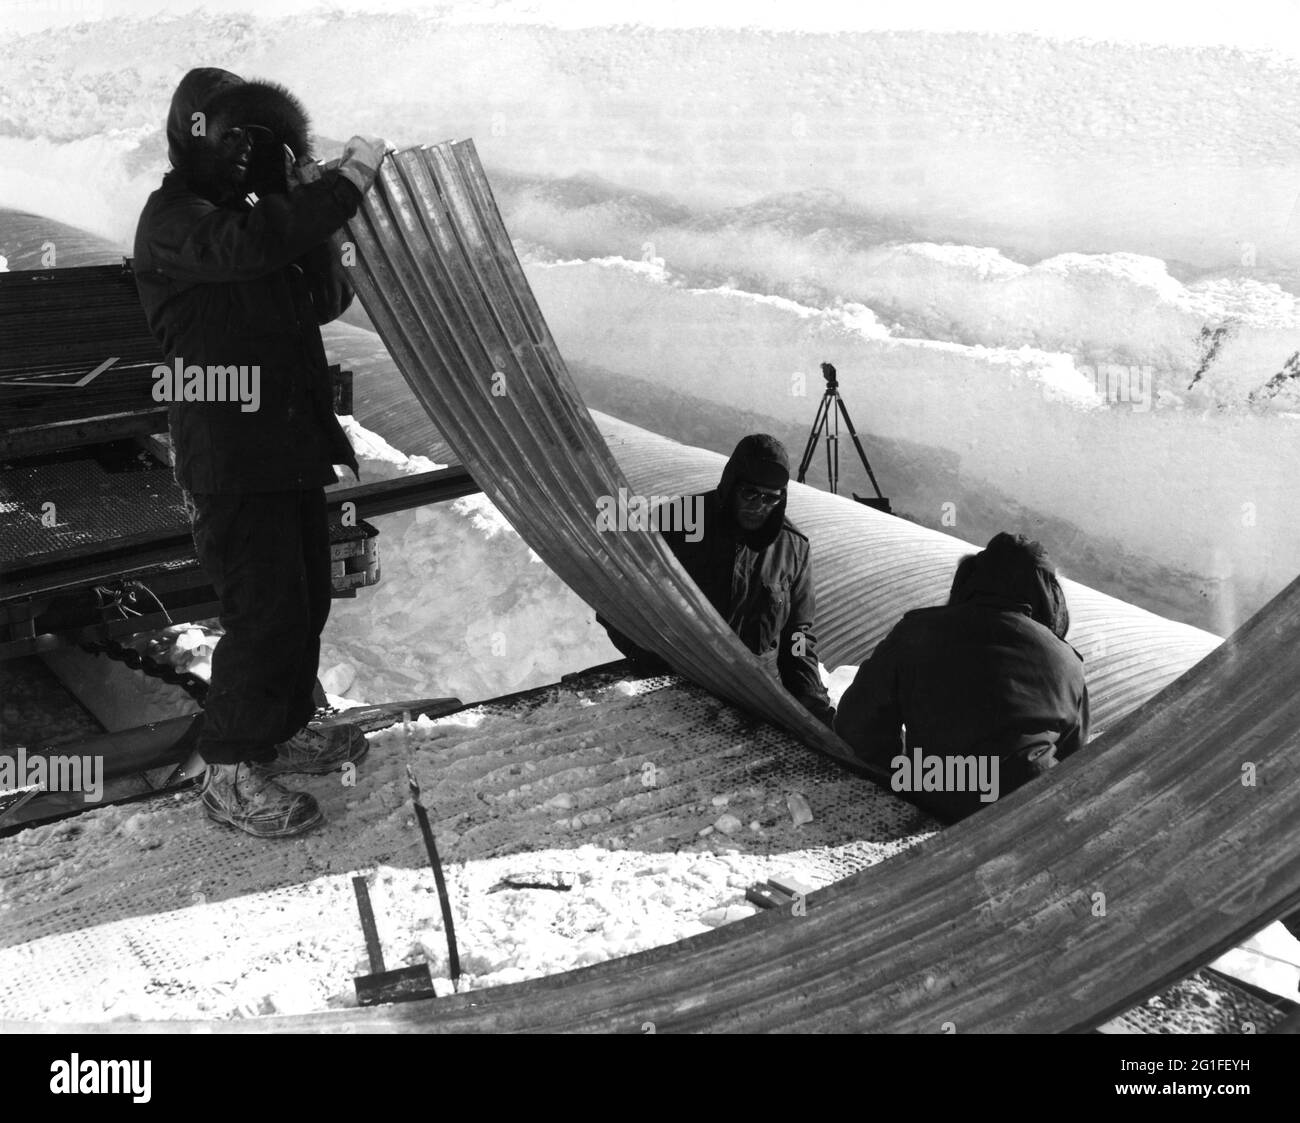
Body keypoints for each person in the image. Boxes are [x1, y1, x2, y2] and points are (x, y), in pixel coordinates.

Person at [133, 67, 388, 837]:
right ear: (193, 133)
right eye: (231, 136)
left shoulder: (251, 217)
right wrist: (339, 188)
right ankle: (231, 771)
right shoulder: (175, 220)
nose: (242, 153)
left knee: (304, 598)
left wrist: (312, 205)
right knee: (263, 610)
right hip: (229, 455)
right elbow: (247, 245)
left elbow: (320, 298)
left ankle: (287, 724)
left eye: (254, 141)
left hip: (284, 442)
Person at [835, 532, 1089, 822]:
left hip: (932, 789)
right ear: (1048, 594)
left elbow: (856, 723)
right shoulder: (1067, 661)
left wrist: (900, 773)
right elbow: (1076, 763)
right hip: (1024, 811)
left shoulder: (917, 630)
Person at [599, 434, 836, 726]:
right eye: (750, 494)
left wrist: (812, 702)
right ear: (732, 485)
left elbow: (798, 634)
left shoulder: (793, 548)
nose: (760, 506)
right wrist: (651, 660)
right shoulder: (677, 522)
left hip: (756, 702)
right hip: (679, 695)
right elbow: (616, 600)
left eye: (771, 498)